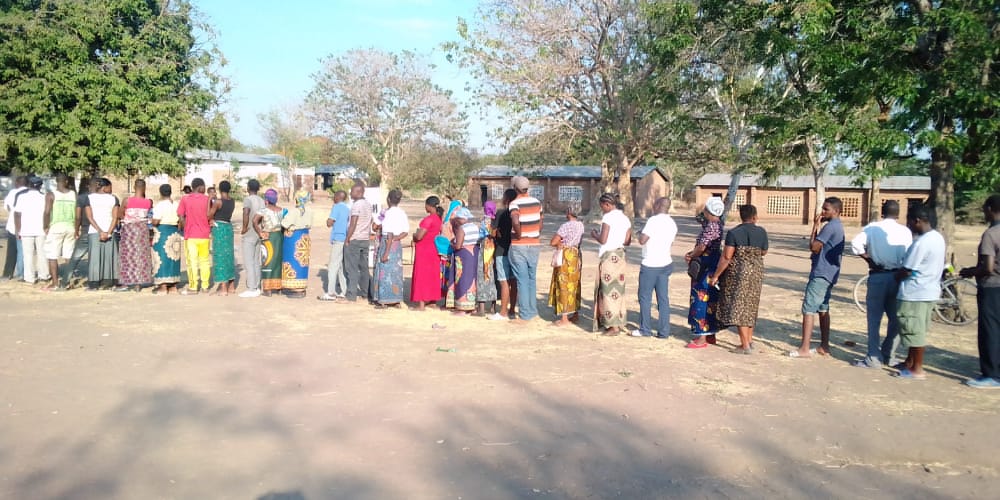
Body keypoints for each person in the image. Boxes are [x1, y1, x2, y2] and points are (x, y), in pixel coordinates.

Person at [850, 200, 912, 368]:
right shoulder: (905, 231)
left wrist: (869, 259)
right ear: (898, 213)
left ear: (882, 212)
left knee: (874, 319)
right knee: (896, 319)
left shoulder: (872, 228)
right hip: (898, 277)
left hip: (878, 275)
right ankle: (889, 354)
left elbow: (855, 244)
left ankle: (873, 357)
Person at [893, 204, 946, 379]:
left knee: (914, 330)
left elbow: (908, 269)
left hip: (915, 292)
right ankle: (909, 362)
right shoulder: (937, 237)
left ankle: (917, 369)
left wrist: (897, 276)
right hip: (929, 290)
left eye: (909, 221)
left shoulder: (922, 243)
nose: (907, 225)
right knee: (916, 327)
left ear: (917, 221)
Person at [709, 204, 769, 354]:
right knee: (751, 305)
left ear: (741, 216)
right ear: (755, 217)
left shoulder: (734, 232)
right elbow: (764, 251)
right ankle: (749, 340)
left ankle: (745, 346)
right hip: (756, 272)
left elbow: (727, 257)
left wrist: (716, 276)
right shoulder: (761, 231)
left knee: (739, 306)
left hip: (739, 273)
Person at [791, 197, 846, 358]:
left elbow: (814, 247)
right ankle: (824, 346)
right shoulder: (838, 226)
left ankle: (804, 348)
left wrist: (815, 226)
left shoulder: (830, 227)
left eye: (826, 209)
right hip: (830, 273)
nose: (823, 212)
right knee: (823, 308)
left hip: (821, 273)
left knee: (809, 308)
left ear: (836, 211)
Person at [961, 194, 1000, 388]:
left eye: (985, 209)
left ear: (991, 209)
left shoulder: (991, 234)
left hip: (992, 287)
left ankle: (991, 374)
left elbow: (988, 267)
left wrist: (969, 271)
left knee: (990, 330)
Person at [633, 197, 678, 338]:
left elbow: (642, 240)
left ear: (658, 205)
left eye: (654, 203)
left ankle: (645, 329)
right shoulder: (672, 223)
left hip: (651, 263)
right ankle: (664, 332)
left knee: (645, 297)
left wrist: (639, 233)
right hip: (665, 262)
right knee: (663, 298)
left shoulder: (653, 221)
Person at [591, 193, 632, 335]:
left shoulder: (608, 217)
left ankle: (613, 326)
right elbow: (627, 241)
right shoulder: (625, 218)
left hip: (609, 257)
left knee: (608, 290)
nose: (602, 209)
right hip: (620, 256)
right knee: (618, 290)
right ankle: (618, 321)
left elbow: (603, 240)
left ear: (607, 205)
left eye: (602, 206)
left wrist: (595, 235)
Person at [686, 197, 724, 348]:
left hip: (705, 266)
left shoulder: (710, 228)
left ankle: (701, 338)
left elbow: (701, 247)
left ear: (708, 210)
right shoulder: (718, 224)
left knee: (701, 299)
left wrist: (691, 255)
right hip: (713, 264)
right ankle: (711, 334)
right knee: (711, 300)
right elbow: (700, 219)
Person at [508, 176, 542, 323]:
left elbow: (515, 221)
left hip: (519, 245)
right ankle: (532, 310)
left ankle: (524, 314)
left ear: (515, 188)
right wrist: (535, 232)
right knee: (531, 278)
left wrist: (520, 234)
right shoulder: (536, 202)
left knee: (521, 279)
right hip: (535, 243)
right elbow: (541, 220)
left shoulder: (514, 204)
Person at [548, 207, 584, 327]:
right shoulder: (581, 225)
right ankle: (575, 313)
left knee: (563, 284)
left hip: (565, 255)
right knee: (574, 283)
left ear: (568, 213)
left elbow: (553, 241)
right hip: (575, 255)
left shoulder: (566, 226)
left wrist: (559, 244)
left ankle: (564, 318)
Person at [115, 179, 153, 292]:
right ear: (144, 188)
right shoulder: (148, 202)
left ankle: (126, 281)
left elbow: (120, 214)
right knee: (141, 257)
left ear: (133, 187)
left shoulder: (127, 201)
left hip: (129, 230)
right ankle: (138, 283)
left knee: (127, 256)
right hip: (142, 230)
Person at [373, 189, 408, 308]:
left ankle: (384, 300)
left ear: (388, 199)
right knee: (396, 272)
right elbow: (405, 232)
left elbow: (386, 232)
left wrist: (386, 252)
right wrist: (396, 239)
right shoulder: (402, 213)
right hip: (396, 246)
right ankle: (396, 299)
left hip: (386, 244)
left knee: (384, 271)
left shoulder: (385, 213)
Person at [177, 178, 211, 295]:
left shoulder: (185, 199)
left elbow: (181, 216)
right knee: (205, 261)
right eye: (204, 186)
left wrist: (185, 227)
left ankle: (193, 287)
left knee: (192, 262)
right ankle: (205, 286)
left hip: (191, 235)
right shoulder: (207, 199)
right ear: (200, 187)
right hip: (205, 235)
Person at [42, 173, 76, 290]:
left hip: (56, 227)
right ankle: (68, 282)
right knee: (68, 256)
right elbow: (77, 213)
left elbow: (46, 212)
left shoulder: (51, 195)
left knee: (52, 256)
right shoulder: (73, 194)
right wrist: (77, 228)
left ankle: (55, 283)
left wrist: (45, 226)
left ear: (56, 181)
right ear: (66, 181)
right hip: (70, 227)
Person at [85, 178, 120, 290]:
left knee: (94, 258)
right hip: (110, 232)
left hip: (94, 232)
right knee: (110, 258)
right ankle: (110, 283)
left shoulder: (89, 198)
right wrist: (108, 232)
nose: (111, 189)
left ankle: (94, 284)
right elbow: (115, 217)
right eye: (110, 187)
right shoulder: (114, 199)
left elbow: (89, 217)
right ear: (105, 188)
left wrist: (100, 231)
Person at [13, 176, 49, 285]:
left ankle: (29, 277)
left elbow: (17, 214)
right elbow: (47, 214)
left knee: (27, 254)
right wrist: (47, 227)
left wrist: (18, 230)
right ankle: (44, 275)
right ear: (41, 186)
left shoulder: (22, 197)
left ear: (28, 185)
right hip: (41, 229)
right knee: (42, 253)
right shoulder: (44, 197)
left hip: (26, 229)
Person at [410, 196, 443, 311]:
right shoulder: (438, 219)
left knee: (422, 276)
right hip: (434, 250)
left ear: (429, 206)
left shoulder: (428, 219)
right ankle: (433, 301)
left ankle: (421, 305)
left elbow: (419, 236)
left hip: (424, 251)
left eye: (425, 205)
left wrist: (414, 235)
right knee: (433, 275)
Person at [65, 177, 99, 287]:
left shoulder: (82, 198)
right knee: (95, 258)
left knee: (75, 258)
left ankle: (64, 282)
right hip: (99, 232)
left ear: (88, 186)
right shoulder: (104, 199)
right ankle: (95, 282)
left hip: (85, 230)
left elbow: (78, 216)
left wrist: (76, 230)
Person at [279, 190, 312, 298]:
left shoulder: (293, 212)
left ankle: (294, 289)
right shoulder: (309, 211)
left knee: (292, 262)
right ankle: (302, 288)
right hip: (304, 238)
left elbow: (284, 224)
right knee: (302, 263)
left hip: (293, 239)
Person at [490, 189, 518, 321]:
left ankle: (503, 312)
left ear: (506, 199)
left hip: (501, 250)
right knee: (513, 281)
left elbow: (493, 232)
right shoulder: (517, 214)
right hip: (515, 250)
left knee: (504, 282)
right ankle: (512, 310)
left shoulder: (501, 213)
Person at [446, 207, 479, 315]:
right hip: (473, 254)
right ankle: (472, 306)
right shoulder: (475, 227)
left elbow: (458, 245)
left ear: (462, 218)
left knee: (462, 280)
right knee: (472, 280)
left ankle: (462, 308)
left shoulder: (462, 229)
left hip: (463, 256)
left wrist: (451, 244)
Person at [205, 180, 236, 296]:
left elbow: (209, 215)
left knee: (220, 257)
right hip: (228, 227)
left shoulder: (218, 202)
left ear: (220, 189)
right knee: (229, 255)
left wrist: (209, 199)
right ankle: (231, 285)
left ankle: (223, 288)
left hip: (219, 229)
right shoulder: (232, 201)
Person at [343, 184, 373, 303]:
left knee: (352, 268)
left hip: (355, 239)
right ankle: (365, 293)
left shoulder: (356, 205)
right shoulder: (368, 205)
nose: (350, 194)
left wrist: (348, 238)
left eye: (352, 192)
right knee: (364, 268)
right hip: (365, 239)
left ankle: (351, 295)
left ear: (359, 192)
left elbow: (353, 223)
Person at [318, 190, 350, 301]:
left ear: (337, 197)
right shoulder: (347, 208)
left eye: (334, 196)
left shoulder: (336, 207)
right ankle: (344, 291)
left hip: (338, 238)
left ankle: (331, 292)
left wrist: (329, 219)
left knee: (332, 266)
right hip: (345, 238)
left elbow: (329, 223)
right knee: (341, 266)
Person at [151, 184, 182, 294]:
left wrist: (150, 220)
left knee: (161, 258)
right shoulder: (176, 204)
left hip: (162, 232)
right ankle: (173, 285)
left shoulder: (160, 205)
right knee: (173, 258)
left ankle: (163, 286)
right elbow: (181, 219)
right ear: (170, 192)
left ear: (160, 193)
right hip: (174, 233)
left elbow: (156, 221)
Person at [254, 189, 285, 296]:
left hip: (268, 238)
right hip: (279, 237)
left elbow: (254, 221)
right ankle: (279, 288)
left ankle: (268, 289)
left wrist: (260, 232)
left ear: (266, 199)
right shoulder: (282, 210)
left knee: (267, 261)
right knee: (278, 262)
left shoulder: (263, 211)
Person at [239, 179, 265, 298]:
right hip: (258, 232)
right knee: (256, 261)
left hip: (249, 232)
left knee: (249, 262)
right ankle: (257, 286)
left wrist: (244, 227)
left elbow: (246, 212)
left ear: (248, 188)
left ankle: (251, 288)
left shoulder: (248, 200)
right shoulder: (261, 200)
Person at [475, 201, 499, 316]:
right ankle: (494, 307)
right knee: (493, 276)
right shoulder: (495, 221)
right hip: (494, 249)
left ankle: (481, 309)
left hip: (485, 249)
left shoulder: (484, 220)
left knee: (482, 275)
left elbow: (481, 236)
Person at [2, 176, 27, 280]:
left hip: (13, 226)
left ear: (17, 183)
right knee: (25, 251)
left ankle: (8, 274)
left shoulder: (13, 192)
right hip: (27, 226)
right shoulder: (30, 192)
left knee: (12, 251)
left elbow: (7, 207)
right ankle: (23, 273)